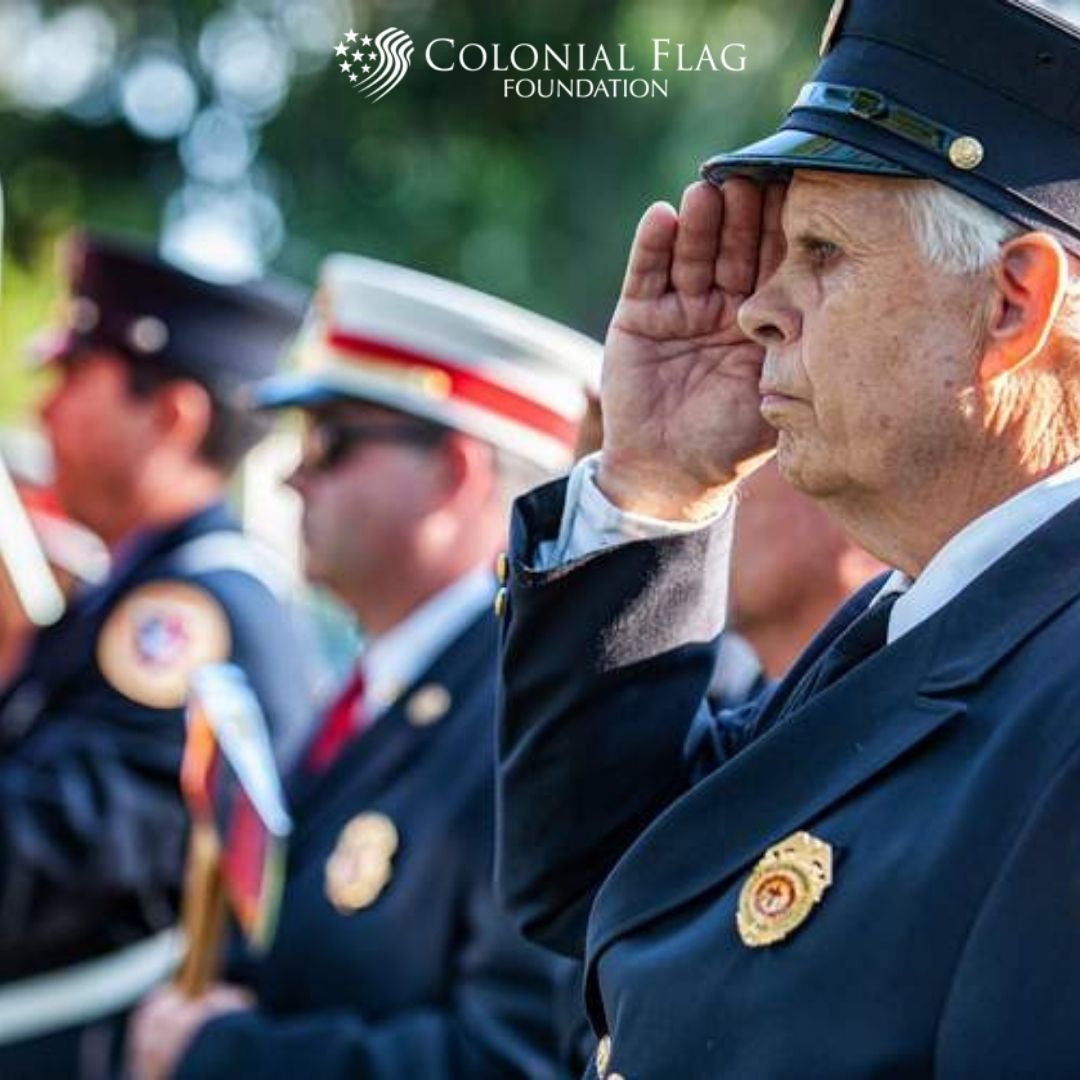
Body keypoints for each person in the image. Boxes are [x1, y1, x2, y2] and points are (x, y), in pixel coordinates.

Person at [494, 0, 1080, 1076]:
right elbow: (599, 885)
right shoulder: (916, 618)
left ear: (1010, 306)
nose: (759, 307)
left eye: (821, 253)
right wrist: (655, 483)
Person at [129, 252, 600, 1078]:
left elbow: (514, 1060)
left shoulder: (530, 717)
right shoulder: (378, 692)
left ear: (455, 474)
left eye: (333, 442)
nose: (291, 473)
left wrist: (225, 1057)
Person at [0, 234, 312, 1078]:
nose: (43, 410)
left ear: (173, 415)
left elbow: (44, 866)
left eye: (73, 377)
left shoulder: (191, 612)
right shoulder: (136, 588)